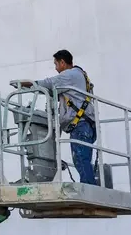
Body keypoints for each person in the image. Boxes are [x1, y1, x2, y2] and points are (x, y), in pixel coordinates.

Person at [16, 49, 99, 186]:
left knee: (81, 159)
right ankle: (90, 186)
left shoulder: (69, 75)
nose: (56, 68)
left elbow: (49, 83)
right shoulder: (79, 75)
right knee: (83, 159)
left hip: (81, 125)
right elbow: (53, 90)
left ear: (62, 62)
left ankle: (89, 188)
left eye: (56, 64)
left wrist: (27, 84)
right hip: (86, 124)